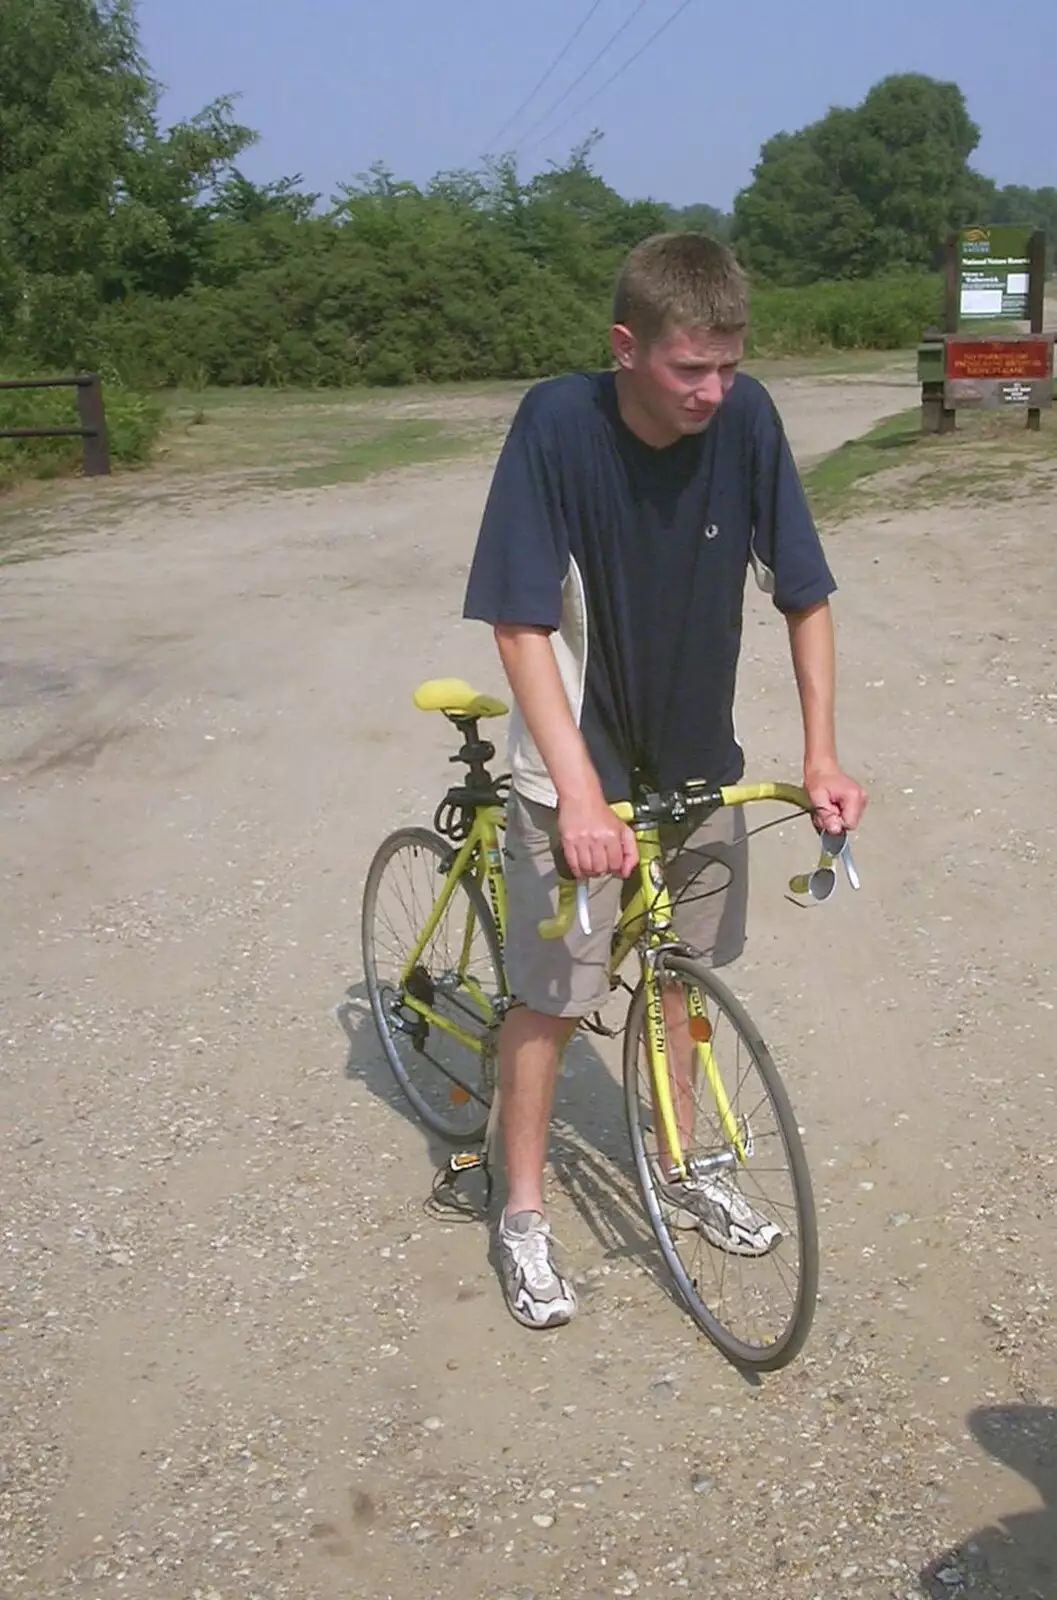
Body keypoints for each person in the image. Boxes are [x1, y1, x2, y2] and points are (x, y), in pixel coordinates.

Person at [462, 232, 867, 1330]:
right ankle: (524, 1214)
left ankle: (684, 1161)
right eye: (689, 368)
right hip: (573, 782)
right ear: (625, 347)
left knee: (678, 975)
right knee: (550, 1001)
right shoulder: (557, 423)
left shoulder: (747, 421)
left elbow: (805, 592)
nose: (712, 390)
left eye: (728, 364)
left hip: (697, 771)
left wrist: (820, 753)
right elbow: (518, 619)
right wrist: (579, 793)